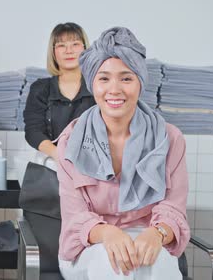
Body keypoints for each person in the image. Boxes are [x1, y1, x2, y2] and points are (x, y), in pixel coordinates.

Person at [55, 27, 190, 279]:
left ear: (140, 82)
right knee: (114, 267)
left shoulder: (170, 139)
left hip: (148, 239)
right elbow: (75, 216)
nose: (114, 89)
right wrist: (107, 233)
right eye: (104, 78)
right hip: (89, 246)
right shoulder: (70, 142)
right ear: (92, 83)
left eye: (126, 78)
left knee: (159, 268)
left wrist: (157, 232)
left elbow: (173, 207)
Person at [23, 22, 95, 161]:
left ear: (85, 49)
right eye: (61, 45)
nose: (69, 51)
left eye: (75, 44)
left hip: (90, 165)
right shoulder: (40, 89)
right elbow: (33, 131)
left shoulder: (98, 86)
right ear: (53, 52)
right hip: (51, 164)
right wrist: (59, 155)